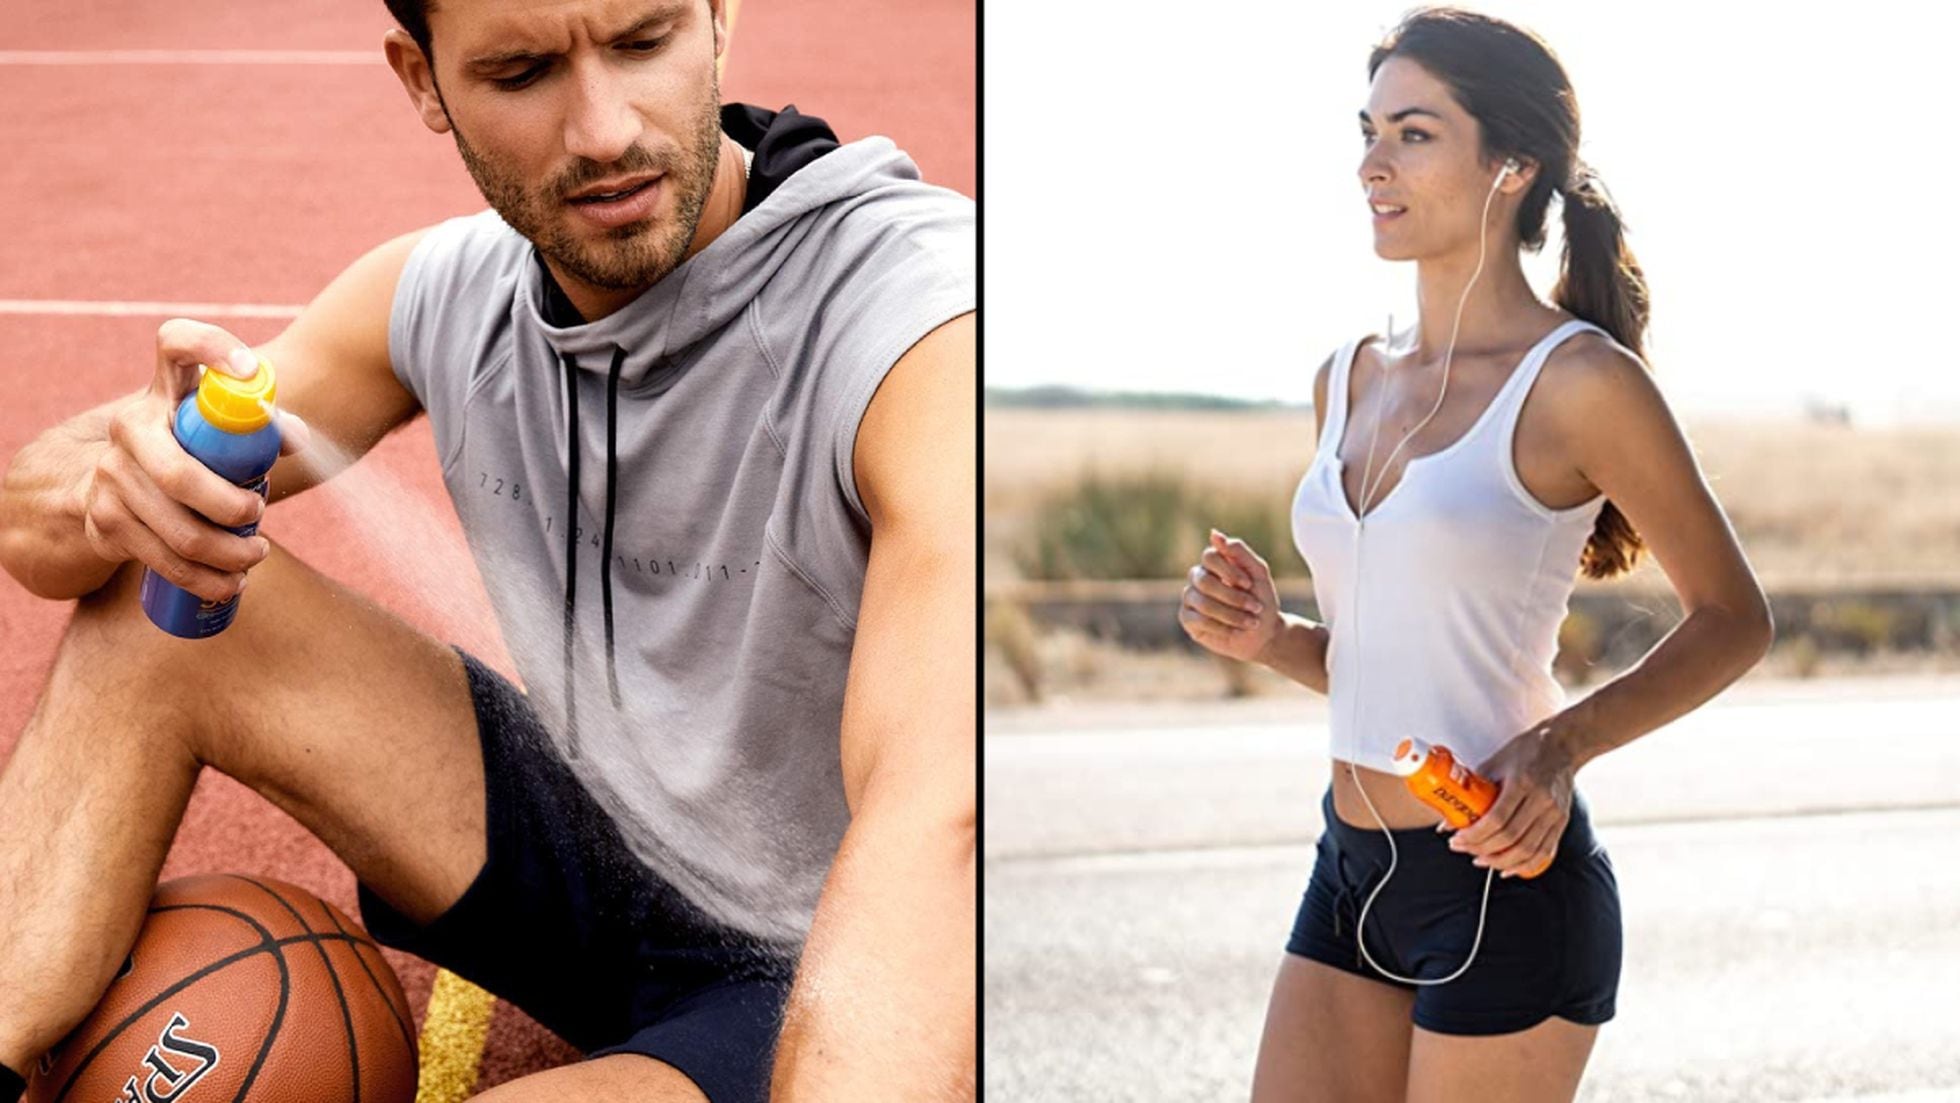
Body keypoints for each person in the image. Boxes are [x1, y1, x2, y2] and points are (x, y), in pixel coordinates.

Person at [0, 1, 975, 1100]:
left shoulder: (922, 322)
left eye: (644, 41)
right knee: (161, 579)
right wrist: (110, 486)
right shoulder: (442, 294)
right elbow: (30, 534)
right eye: (521, 72)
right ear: (423, 79)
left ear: (718, 19)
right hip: (604, 856)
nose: (603, 129)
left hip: (833, 960)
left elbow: (943, 818)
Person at [1176, 9, 1771, 1102]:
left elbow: (1735, 616)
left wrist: (1558, 747)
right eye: (1366, 131)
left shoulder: (1579, 381)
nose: (1370, 163)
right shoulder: (1345, 375)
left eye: (1413, 133)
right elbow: (1386, 663)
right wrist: (1270, 638)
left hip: (1504, 884)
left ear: (1510, 166)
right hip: (1348, 872)